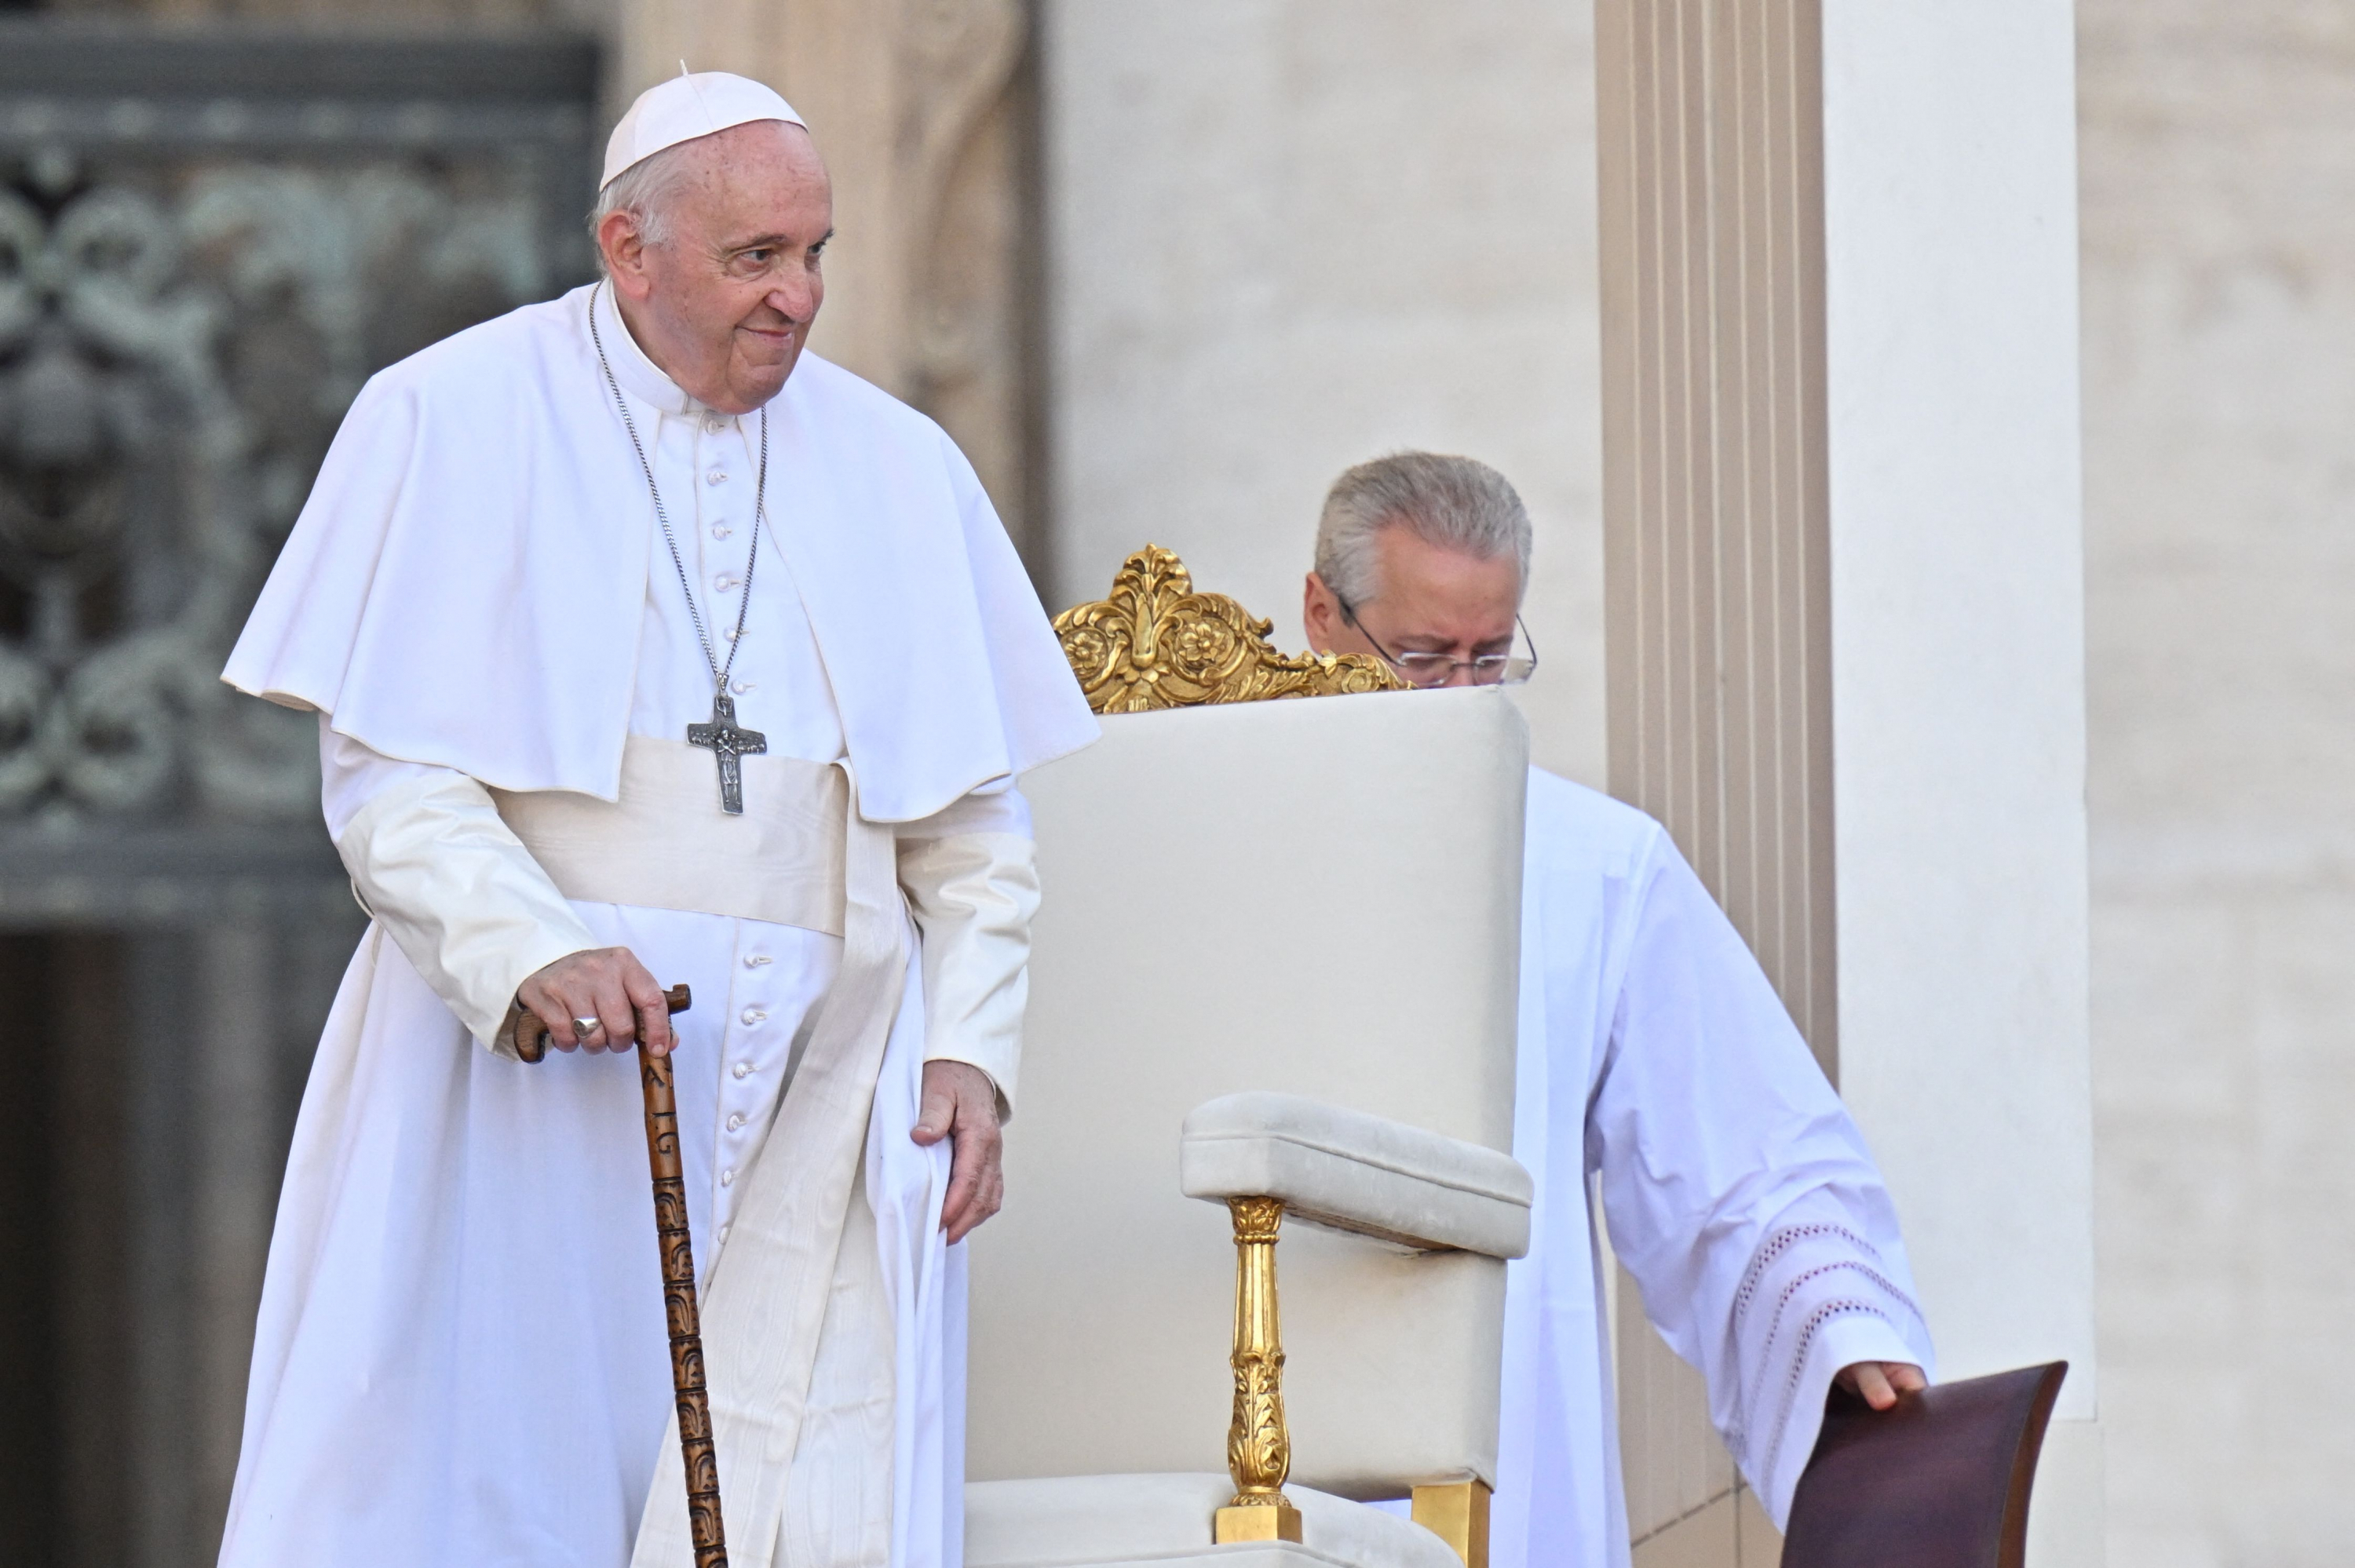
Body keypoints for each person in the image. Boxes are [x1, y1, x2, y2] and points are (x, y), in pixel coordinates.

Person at [215, 71, 1095, 1568]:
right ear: (631, 248)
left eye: (815, 253)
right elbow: (394, 783)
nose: (799, 297)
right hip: (533, 1089)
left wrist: (973, 1052)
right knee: (502, 1484)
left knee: (791, 1511)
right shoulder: (449, 415)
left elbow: (971, 828)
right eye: (757, 258)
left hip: (828, 1079)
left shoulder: (897, 466)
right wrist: (526, 950)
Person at [1301, 453, 1933, 1568]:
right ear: (1321, 614)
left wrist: (1833, 1320)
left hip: (1504, 1449)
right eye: (1421, 660)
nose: (1460, 702)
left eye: (1489, 660)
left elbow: (1742, 1155)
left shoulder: (1594, 867)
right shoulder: (1208, 835)